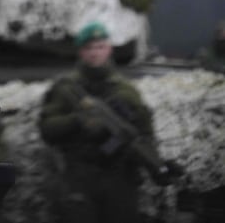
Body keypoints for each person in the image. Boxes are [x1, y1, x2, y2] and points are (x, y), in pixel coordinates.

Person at [37, 21, 181, 223]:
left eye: (100, 47)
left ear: (109, 49)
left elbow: (143, 134)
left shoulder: (126, 91)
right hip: (80, 178)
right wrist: (78, 120)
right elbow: (47, 129)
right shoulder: (65, 88)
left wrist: (158, 163)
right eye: (89, 48)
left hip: (119, 179)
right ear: (81, 51)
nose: (95, 53)